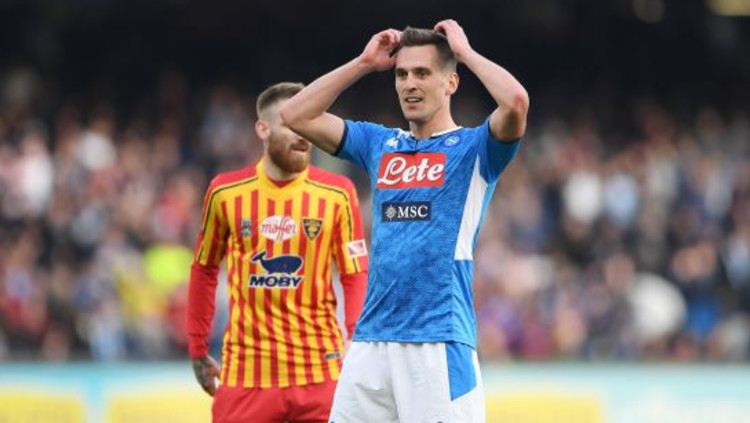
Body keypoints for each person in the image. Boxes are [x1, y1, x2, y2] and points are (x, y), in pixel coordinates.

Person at [280, 20, 529, 422]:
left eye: (423, 73)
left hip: (438, 340)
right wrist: (363, 63)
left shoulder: (475, 149)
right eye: (402, 74)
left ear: (451, 83)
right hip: (371, 341)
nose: (410, 84)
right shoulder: (380, 143)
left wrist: (464, 53)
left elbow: (515, 102)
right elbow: (295, 114)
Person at [187, 82, 369, 423]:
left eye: (308, 123)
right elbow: (204, 269)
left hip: (321, 373)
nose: (303, 135)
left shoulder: (338, 193)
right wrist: (198, 347)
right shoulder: (225, 192)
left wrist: (357, 339)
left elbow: (355, 273)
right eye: (291, 124)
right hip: (246, 376)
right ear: (263, 128)